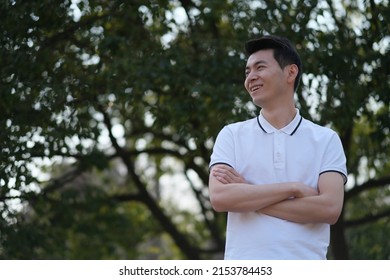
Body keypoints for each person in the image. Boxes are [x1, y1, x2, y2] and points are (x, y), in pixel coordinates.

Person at [208, 35, 347, 260]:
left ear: (291, 73)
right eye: (247, 71)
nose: (251, 77)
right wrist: (292, 188)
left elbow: (329, 209)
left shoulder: (326, 139)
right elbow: (220, 198)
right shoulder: (231, 135)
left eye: (259, 67)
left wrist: (247, 192)